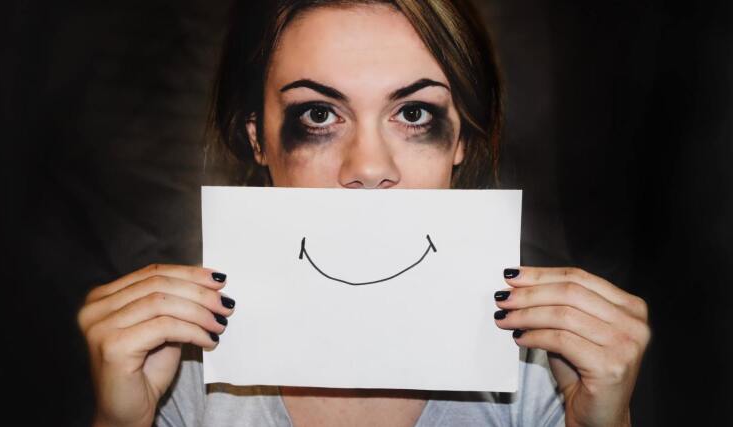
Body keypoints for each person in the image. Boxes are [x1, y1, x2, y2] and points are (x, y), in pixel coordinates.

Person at [77, 1, 651, 426]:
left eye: (415, 112)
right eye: (319, 116)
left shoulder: (543, 371)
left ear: (462, 143)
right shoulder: (178, 368)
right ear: (259, 140)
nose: (369, 166)